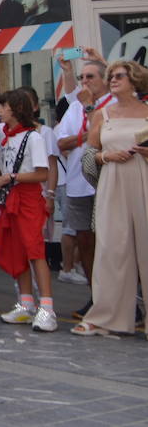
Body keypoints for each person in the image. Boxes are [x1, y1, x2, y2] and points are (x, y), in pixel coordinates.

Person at [73, 60, 148, 336]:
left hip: (144, 181)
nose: (113, 80)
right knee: (111, 249)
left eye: (119, 76)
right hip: (113, 184)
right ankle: (105, 316)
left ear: (135, 80)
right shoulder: (102, 115)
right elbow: (88, 156)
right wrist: (107, 156)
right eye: (111, 76)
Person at [0, 90, 57, 332]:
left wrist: (11, 176)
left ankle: (47, 307)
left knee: (35, 250)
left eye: (3, 106)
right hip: (11, 199)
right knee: (17, 251)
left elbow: (42, 173)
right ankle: (26, 303)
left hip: (27, 199)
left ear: (15, 109)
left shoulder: (33, 137)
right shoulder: (4, 137)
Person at [55, 53, 108, 315]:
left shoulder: (114, 104)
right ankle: (95, 296)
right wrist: (86, 136)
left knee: (111, 242)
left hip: (106, 184)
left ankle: (126, 300)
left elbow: (105, 139)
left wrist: (88, 128)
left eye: (90, 76)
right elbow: (60, 142)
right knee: (85, 241)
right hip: (78, 183)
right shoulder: (75, 105)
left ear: (105, 80)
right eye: (81, 77)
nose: (84, 82)